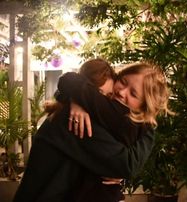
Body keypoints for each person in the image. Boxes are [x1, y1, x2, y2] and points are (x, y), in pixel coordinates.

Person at [13, 60, 171, 202]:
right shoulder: (76, 120)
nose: (122, 92)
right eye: (123, 82)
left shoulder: (103, 120)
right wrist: (150, 126)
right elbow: (125, 165)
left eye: (133, 94)